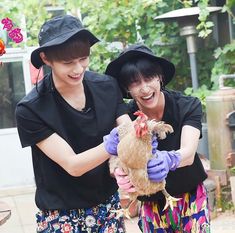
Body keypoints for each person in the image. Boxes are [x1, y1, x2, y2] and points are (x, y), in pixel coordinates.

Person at [15, 14, 131, 233]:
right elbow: (73, 165)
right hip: (61, 215)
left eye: (83, 58)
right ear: (46, 59)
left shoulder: (107, 86)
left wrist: (129, 154)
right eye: (68, 62)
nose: (78, 69)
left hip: (108, 207)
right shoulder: (31, 109)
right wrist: (110, 145)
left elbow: (127, 129)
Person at [105, 44, 209, 233]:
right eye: (135, 82)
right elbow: (119, 157)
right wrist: (119, 173)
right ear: (127, 88)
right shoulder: (125, 117)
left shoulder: (187, 105)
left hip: (191, 197)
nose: (145, 88)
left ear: (160, 77)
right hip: (150, 205)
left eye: (149, 77)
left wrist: (170, 159)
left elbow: (189, 152)